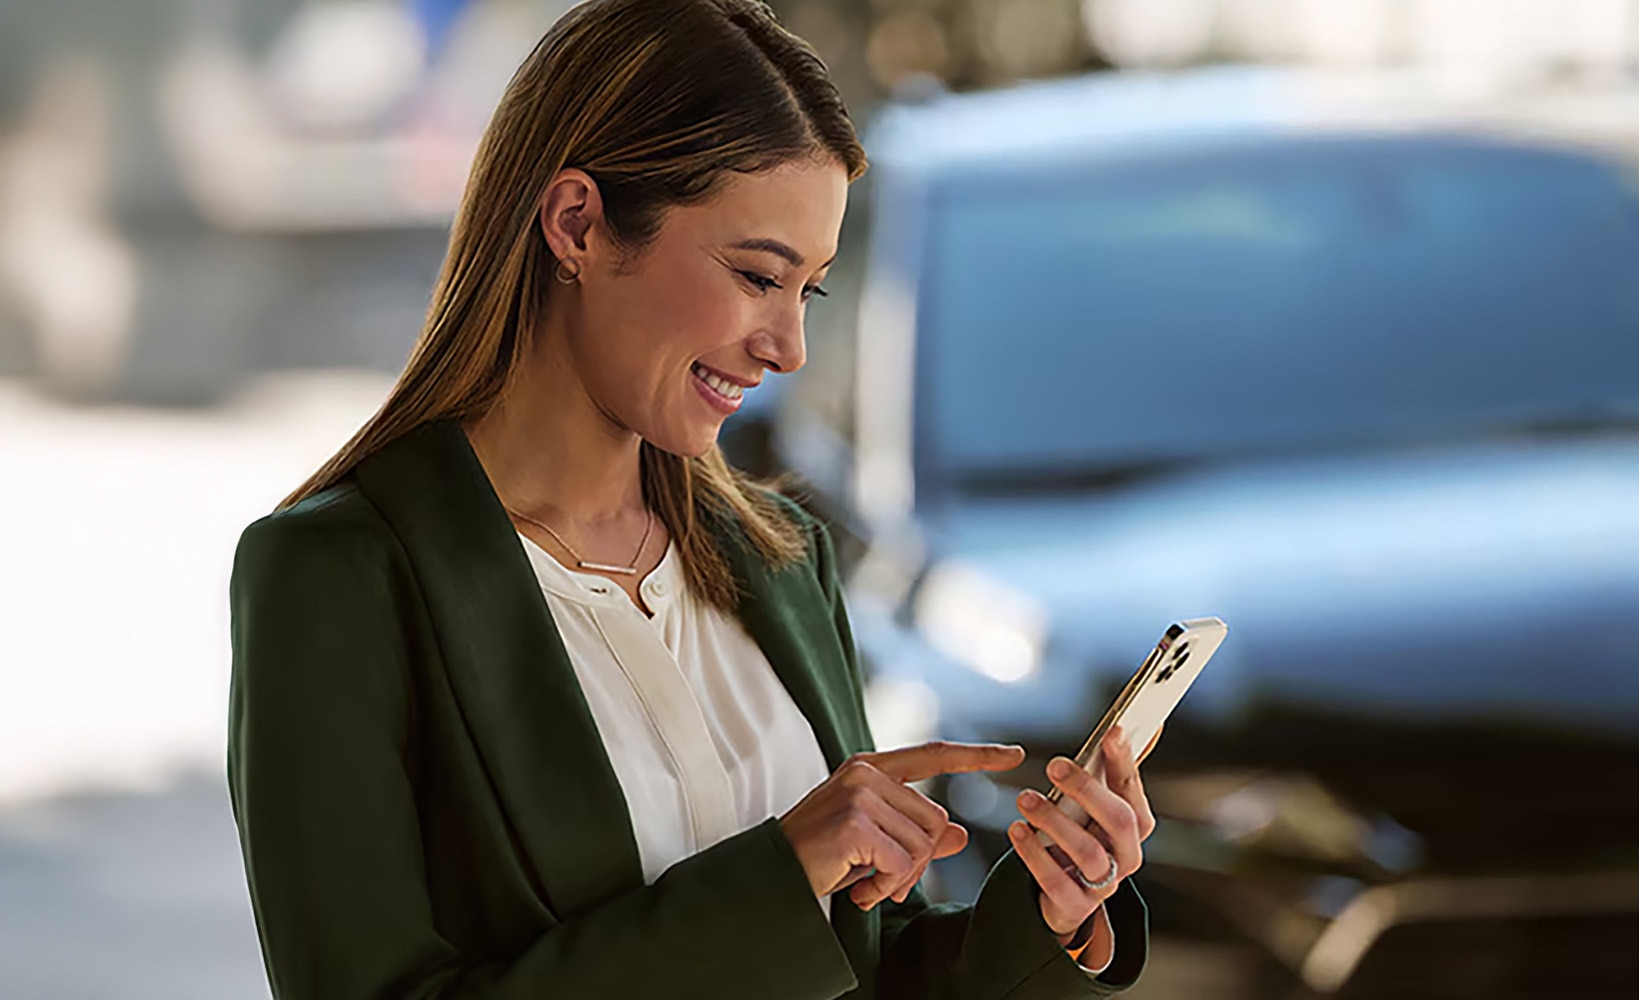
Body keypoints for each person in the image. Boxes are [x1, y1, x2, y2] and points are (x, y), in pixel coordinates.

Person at [223, 1, 1151, 997]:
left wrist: (1045, 916)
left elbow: (865, 965)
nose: (788, 348)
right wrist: (779, 877)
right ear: (576, 223)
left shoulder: (781, 559)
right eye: (757, 275)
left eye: (809, 290)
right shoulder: (338, 580)